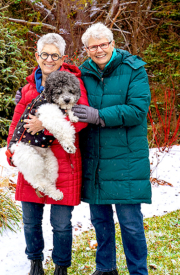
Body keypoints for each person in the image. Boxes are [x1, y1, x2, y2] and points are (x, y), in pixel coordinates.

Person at [72, 22, 151, 275]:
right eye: (92, 47)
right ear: (86, 49)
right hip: (95, 158)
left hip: (126, 158)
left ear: (113, 44)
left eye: (103, 44)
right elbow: (54, 84)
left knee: (130, 223)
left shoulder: (133, 69)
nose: (98, 50)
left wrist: (98, 115)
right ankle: (106, 268)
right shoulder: (82, 72)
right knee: (100, 220)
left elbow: (137, 111)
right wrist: (27, 95)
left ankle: (138, 271)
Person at [7, 33, 89, 275]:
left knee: (61, 224)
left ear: (62, 57)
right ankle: (35, 262)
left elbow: (81, 119)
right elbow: (15, 124)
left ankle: (61, 267)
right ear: (37, 56)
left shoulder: (74, 82)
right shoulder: (29, 88)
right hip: (31, 157)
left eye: (55, 55)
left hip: (64, 161)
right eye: (45, 54)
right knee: (31, 221)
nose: (49, 59)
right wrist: (11, 151)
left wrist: (44, 124)